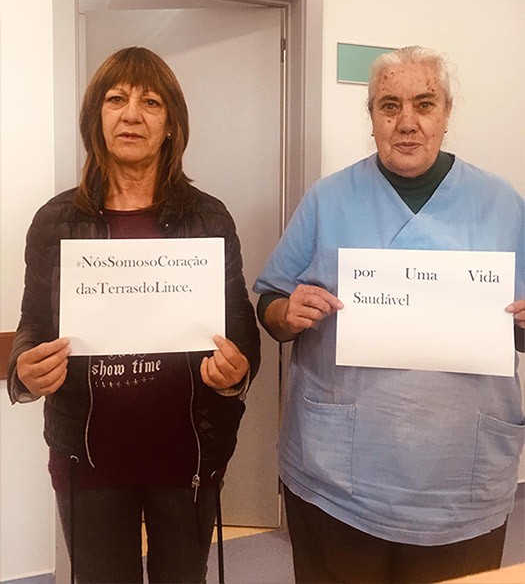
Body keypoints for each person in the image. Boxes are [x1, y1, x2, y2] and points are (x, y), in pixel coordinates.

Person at [254, 46, 525, 584]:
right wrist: (288, 310)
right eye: (389, 105)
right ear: (372, 116)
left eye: (424, 104)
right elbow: (270, 303)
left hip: (460, 479)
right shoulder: (328, 199)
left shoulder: (503, 205)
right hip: (339, 476)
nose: (406, 122)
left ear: (446, 113)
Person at [7, 47, 260, 583]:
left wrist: (237, 372)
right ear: (95, 118)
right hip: (89, 458)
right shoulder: (55, 221)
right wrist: (24, 369)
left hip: (187, 454)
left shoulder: (209, 218)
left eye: (151, 102)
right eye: (116, 99)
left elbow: (240, 329)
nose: (132, 115)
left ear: (171, 125)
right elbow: (33, 324)